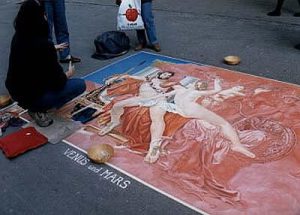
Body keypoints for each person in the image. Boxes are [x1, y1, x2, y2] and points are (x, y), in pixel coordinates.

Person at [5, 0, 86, 127]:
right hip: (34, 97)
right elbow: (57, 82)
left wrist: (52, 48)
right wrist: (68, 74)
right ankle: (40, 109)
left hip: (16, 92)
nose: (46, 17)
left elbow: (30, 51)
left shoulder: (18, 36)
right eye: (43, 14)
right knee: (80, 84)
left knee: (38, 79)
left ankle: (39, 104)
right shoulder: (44, 46)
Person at [163, 79, 256, 159]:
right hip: (195, 110)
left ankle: (233, 141)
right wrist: (217, 81)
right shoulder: (192, 92)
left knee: (216, 118)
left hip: (187, 112)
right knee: (224, 123)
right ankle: (237, 145)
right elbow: (217, 90)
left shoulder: (177, 95)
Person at [99, 70, 175, 163]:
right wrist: (115, 78)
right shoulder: (149, 79)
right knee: (117, 106)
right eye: (165, 73)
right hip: (142, 99)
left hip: (158, 101)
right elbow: (131, 77)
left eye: (168, 75)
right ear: (161, 74)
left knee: (157, 119)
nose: (166, 74)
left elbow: (179, 89)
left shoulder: (169, 83)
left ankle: (154, 146)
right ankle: (114, 122)